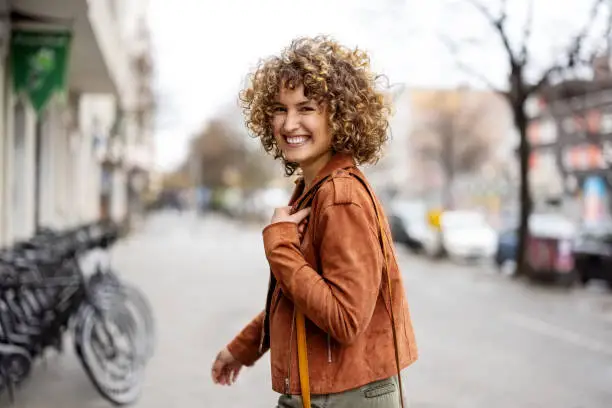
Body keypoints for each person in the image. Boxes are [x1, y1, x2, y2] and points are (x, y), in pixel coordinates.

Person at [211, 35, 418, 407]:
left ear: (338, 115)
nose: (290, 123)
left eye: (306, 108)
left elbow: (345, 319)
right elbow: (303, 297)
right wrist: (243, 347)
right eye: (279, 108)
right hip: (326, 390)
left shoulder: (339, 197)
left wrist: (279, 246)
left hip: (341, 396)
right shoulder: (316, 189)